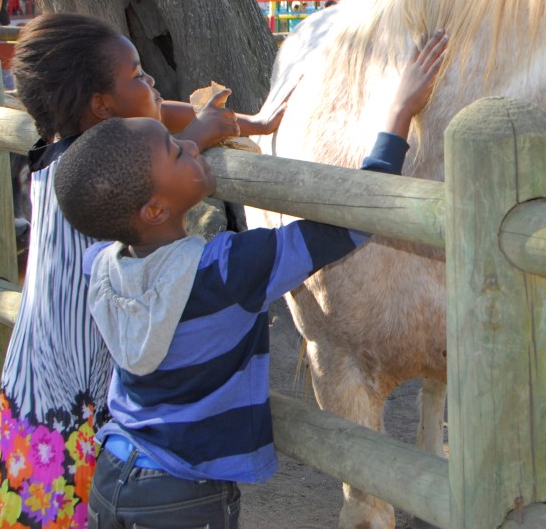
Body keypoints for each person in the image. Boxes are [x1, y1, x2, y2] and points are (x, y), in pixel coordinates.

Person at [52, 30, 447, 528]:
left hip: (113, 470)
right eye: (180, 154)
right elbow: (349, 223)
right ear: (154, 208)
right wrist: (399, 112)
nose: (195, 150)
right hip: (184, 494)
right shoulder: (225, 269)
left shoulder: (103, 267)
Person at [0, 13, 288, 529]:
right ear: (103, 107)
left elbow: (148, 115)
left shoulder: (60, 153)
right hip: (71, 397)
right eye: (138, 74)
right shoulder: (103, 177)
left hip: (33, 379)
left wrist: (234, 121)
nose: (151, 82)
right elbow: (153, 166)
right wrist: (196, 135)